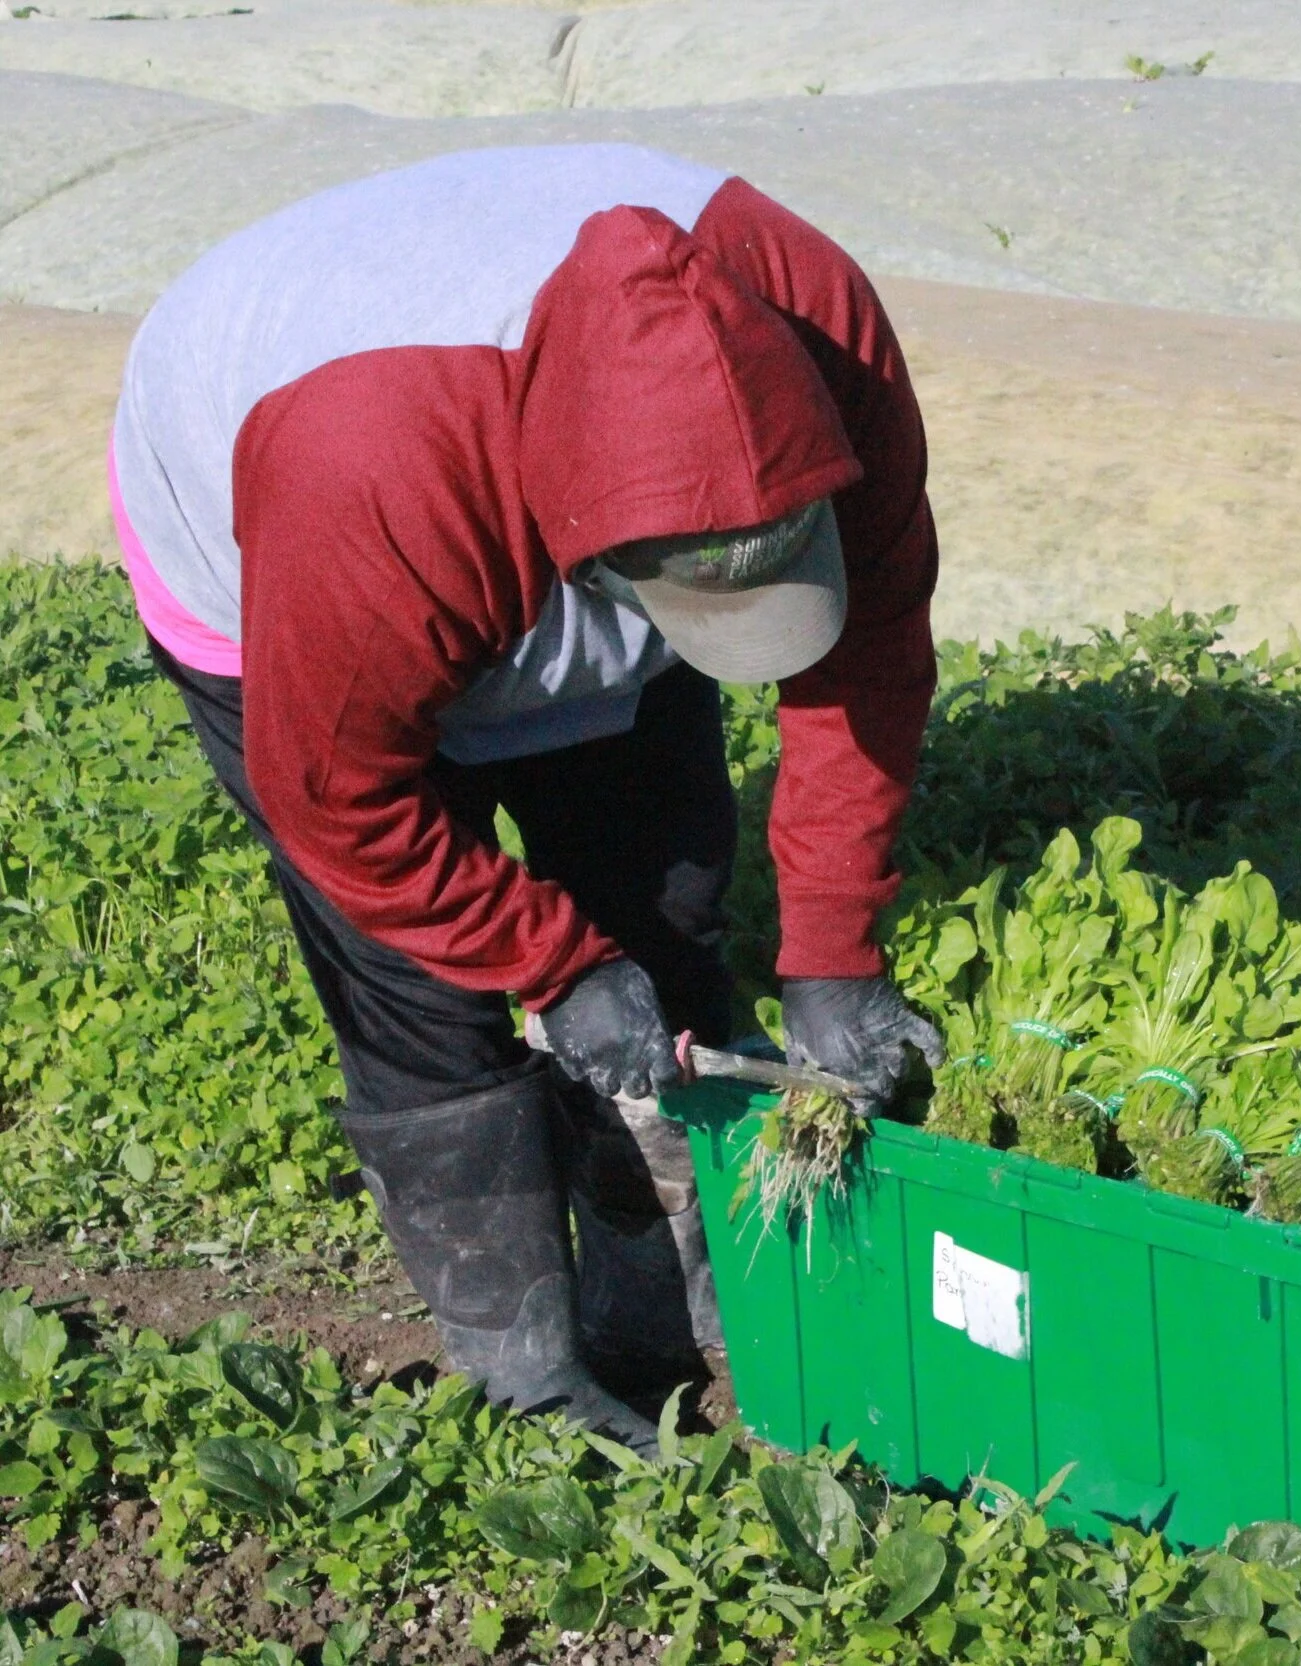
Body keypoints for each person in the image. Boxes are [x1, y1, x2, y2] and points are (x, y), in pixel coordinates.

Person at [109, 143, 946, 1448]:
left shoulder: (825, 338)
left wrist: (834, 951)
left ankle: (663, 1291)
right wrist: (545, 961)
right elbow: (342, 801)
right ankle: (528, 1373)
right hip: (294, 518)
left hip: (508, 500)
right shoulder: (366, 477)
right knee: (420, 992)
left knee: (660, 894)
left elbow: (873, 648)